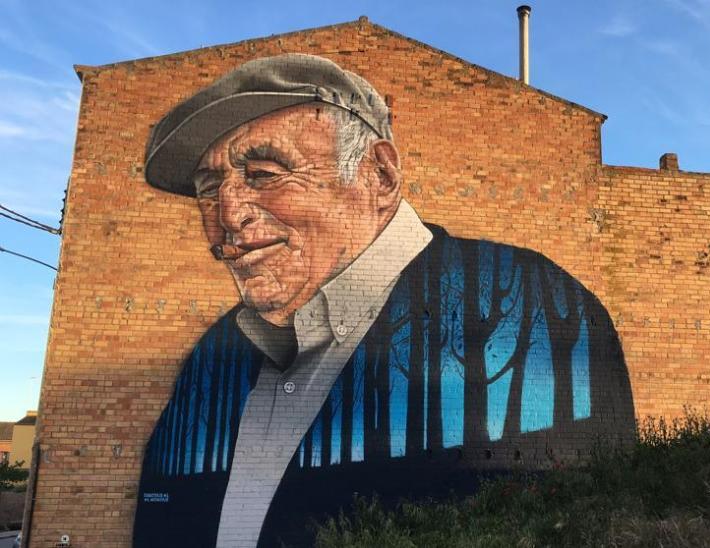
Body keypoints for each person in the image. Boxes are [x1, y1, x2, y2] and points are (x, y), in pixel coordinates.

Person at [133, 53, 635, 548]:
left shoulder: (533, 307)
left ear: (380, 176)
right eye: (209, 188)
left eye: (263, 174)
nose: (228, 215)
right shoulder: (212, 359)